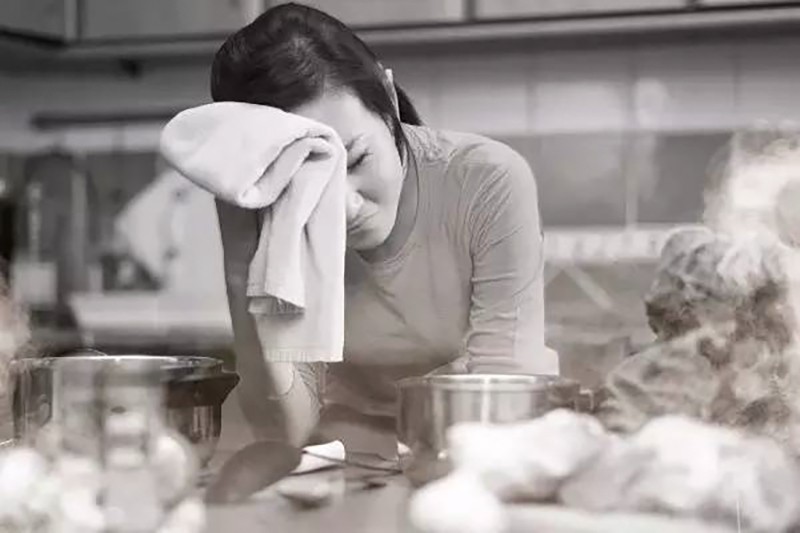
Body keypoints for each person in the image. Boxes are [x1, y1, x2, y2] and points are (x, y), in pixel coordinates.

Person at [208, 2, 556, 453]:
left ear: (388, 99)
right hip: (342, 464)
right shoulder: (277, 218)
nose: (345, 206)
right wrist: (242, 261)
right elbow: (284, 432)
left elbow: (506, 395)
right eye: (306, 185)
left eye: (356, 160)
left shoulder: (485, 180)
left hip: (467, 451)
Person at [595, 227, 800, 457]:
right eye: (716, 303)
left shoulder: (760, 375)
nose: (737, 325)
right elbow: (625, 452)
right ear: (686, 309)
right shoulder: (642, 379)